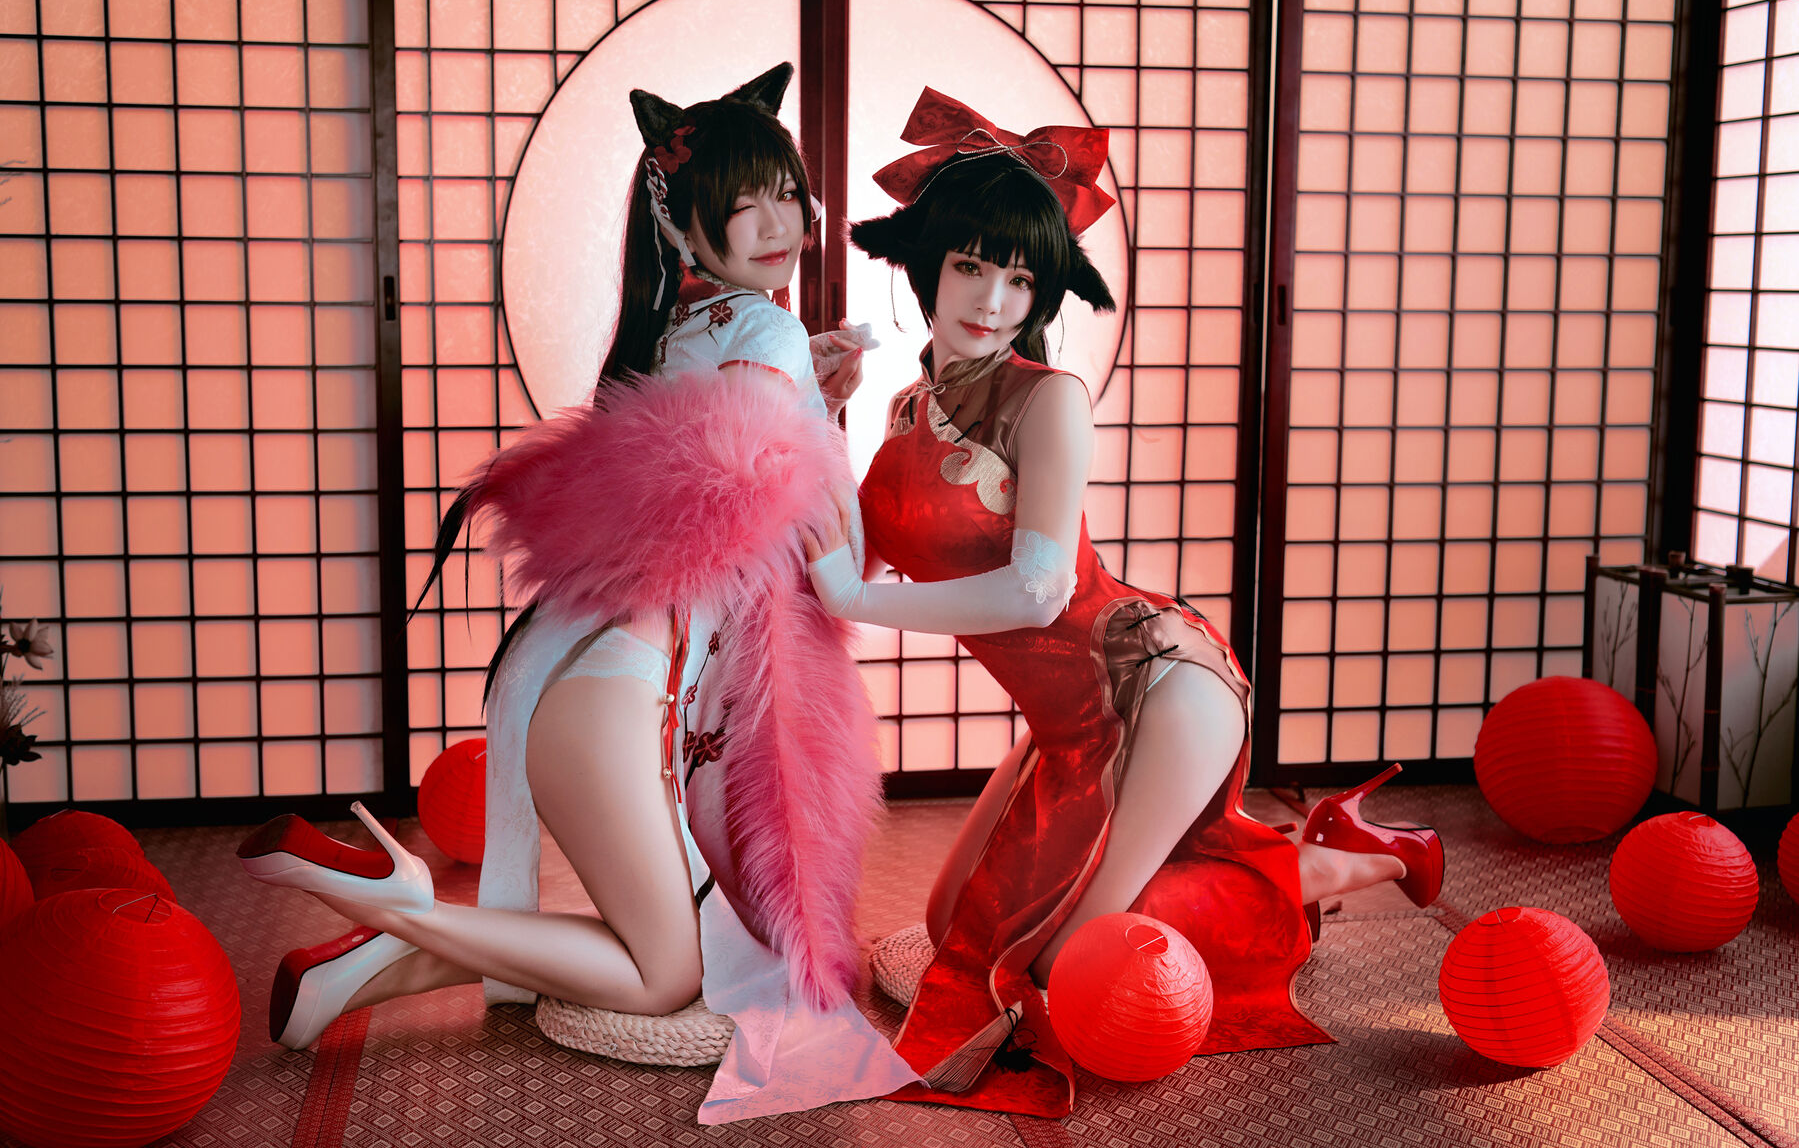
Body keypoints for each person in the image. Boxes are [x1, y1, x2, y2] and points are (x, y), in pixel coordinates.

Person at [236, 64, 917, 1124]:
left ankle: (368, 967)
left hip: (572, 678)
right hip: (625, 701)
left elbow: (699, 497)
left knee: (666, 947)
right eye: (745, 201)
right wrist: (823, 421)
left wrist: (807, 407)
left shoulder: (659, 339)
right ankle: (404, 903)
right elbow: (813, 553)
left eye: (788, 193)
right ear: (681, 221)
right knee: (665, 977)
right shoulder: (770, 334)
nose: (780, 222)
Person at [802, 88, 1445, 1117]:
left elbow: (1036, 590)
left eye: (1021, 278)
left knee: (1066, 964)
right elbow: (859, 549)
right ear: (926, 265)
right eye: (970, 266)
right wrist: (814, 411)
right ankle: (1300, 855)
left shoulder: (1046, 399)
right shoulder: (908, 404)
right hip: (1068, 725)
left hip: (1156, 685)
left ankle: (1346, 863)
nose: (992, 300)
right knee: (951, 927)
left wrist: (848, 595)